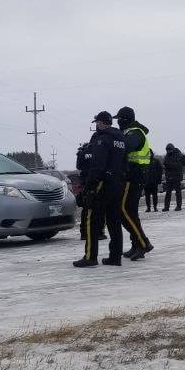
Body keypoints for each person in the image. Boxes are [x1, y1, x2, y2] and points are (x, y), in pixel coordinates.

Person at [74, 111, 126, 267]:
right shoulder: (120, 139)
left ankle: (90, 257)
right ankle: (115, 257)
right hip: (118, 182)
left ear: (102, 122)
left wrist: (89, 185)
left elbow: (97, 165)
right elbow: (124, 162)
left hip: (102, 183)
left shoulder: (101, 139)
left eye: (97, 122)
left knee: (91, 218)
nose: (96, 125)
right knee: (114, 220)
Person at [115, 106, 154, 260]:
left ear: (125, 119)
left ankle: (143, 243)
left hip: (135, 176)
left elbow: (126, 147)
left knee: (123, 210)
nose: (117, 122)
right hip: (132, 175)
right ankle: (137, 243)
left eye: (119, 119)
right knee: (130, 212)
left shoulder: (135, 133)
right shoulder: (129, 132)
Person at [75, 141, 106, 243]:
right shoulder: (99, 151)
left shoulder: (82, 153)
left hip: (86, 183)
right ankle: (100, 232)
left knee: (86, 209)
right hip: (98, 182)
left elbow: (79, 167)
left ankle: (84, 233)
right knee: (100, 209)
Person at [162, 143, 185, 211]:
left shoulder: (178, 155)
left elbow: (179, 165)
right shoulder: (167, 156)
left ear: (172, 149)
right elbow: (166, 163)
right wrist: (165, 166)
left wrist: (168, 165)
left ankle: (179, 206)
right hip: (169, 176)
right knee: (168, 193)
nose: (168, 151)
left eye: (169, 150)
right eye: (167, 150)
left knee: (178, 192)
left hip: (176, 176)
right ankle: (166, 207)